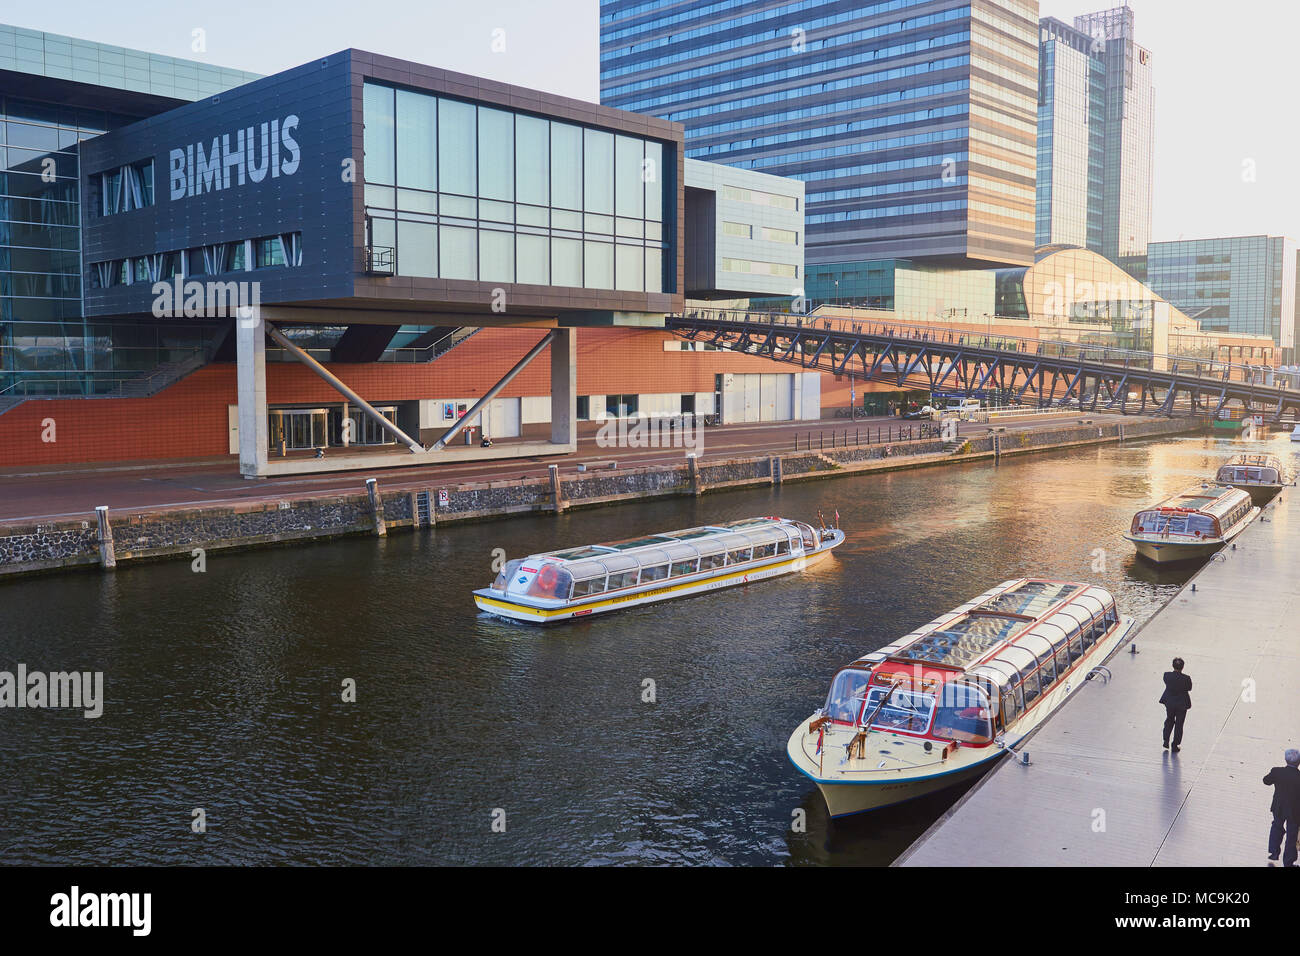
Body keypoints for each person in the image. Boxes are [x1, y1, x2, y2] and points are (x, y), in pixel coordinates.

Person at [1264, 750, 1300, 866]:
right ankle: (1288, 862)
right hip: (1295, 811)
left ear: (1285, 759)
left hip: (1279, 807)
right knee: (1292, 836)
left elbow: (1266, 781)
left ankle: (1274, 852)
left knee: (1276, 827)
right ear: (1298, 762)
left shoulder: (1277, 771)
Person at [1159, 657, 1192, 752]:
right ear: (1183, 667)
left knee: (1169, 720)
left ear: (1173, 665)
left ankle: (1166, 740)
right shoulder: (1186, 678)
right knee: (1179, 724)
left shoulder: (1167, 675)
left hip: (1170, 702)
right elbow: (1189, 688)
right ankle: (1175, 745)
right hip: (1182, 704)